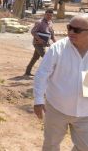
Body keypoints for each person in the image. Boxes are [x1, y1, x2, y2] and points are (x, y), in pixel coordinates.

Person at [33, 14, 88, 150]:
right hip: (57, 108)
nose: (70, 32)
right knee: (51, 145)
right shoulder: (58, 48)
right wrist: (38, 100)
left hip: (85, 112)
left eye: (76, 30)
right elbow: (42, 75)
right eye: (69, 28)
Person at [24, 9, 56, 76]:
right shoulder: (39, 22)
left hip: (44, 44)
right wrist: (39, 39)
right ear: (45, 14)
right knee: (46, 57)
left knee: (35, 57)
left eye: (50, 15)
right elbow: (33, 31)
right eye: (47, 15)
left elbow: (52, 33)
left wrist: (55, 42)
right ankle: (49, 74)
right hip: (37, 43)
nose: (49, 16)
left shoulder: (50, 23)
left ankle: (27, 71)